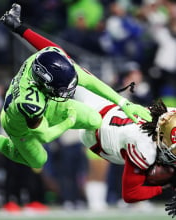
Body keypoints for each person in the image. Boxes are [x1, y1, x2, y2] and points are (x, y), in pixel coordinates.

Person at [0, 4, 151, 170]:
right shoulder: (29, 103)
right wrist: (68, 122)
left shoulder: (50, 57)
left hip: (48, 102)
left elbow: (90, 80)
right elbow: (44, 135)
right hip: (19, 123)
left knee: (94, 120)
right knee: (39, 160)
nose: (67, 93)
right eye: (62, 89)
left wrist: (122, 102)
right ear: (45, 83)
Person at [75, 86, 176, 216]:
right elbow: (130, 194)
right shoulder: (144, 147)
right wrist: (164, 184)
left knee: (72, 79)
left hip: (108, 107)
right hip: (94, 135)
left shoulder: (170, 116)